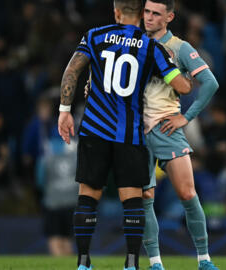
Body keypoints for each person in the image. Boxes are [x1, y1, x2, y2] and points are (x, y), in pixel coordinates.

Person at [57, 0, 191, 269]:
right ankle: (131, 263)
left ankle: (83, 262)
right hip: (128, 133)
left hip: (95, 129)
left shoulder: (94, 36)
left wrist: (64, 110)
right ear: (143, 15)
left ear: (116, 12)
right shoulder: (151, 47)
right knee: (131, 198)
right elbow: (182, 87)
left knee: (88, 194)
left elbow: (72, 70)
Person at [141, 1, 219, 269]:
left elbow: (210, 83)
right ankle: (155, 263)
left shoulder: (180, 47)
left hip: (166, 127)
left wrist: (186, 117)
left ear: (169, 17)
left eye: (156, 13)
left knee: (187, 193)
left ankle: (204, 260)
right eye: (146, 12)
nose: (149, 17)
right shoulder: (134, 43)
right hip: (136, 132)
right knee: (145, 198)